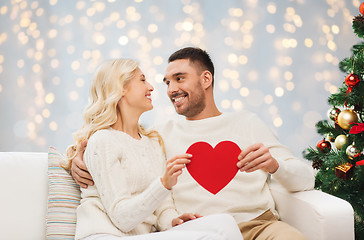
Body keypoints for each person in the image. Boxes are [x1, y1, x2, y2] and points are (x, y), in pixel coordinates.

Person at [71, 48, 315, 240]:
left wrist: (275, 165)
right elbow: (111, 144)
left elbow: (306, 179)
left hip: (259, 226)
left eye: (179, 79)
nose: (170, 89)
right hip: (197, 232)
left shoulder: (247, 123)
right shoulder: (158, 135)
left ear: (206, 79)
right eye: (167, 82)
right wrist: (76, 161)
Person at [65, 58, 243, 240]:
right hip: (106, 235)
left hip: (141, 236)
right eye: (142, 80)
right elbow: (123, 219)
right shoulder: (103, 141)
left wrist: (173, 221)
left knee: (224, 222)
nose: (151, 87)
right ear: (121, 88)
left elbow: (162, 207)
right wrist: (163, 184)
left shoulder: (152, 141)